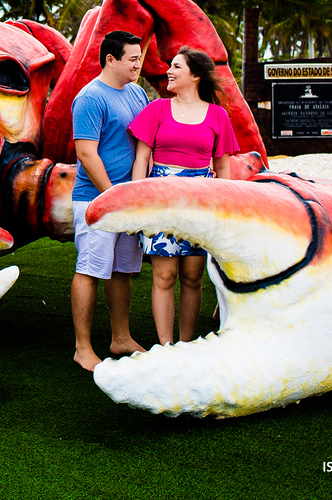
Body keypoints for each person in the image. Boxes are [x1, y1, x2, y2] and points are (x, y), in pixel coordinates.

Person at [128, 46, 240, 346]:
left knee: (193, 277)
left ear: (195, 75)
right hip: (161, 199)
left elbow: (223, 166)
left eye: (176, 66)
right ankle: (166, 346)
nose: (169, 71)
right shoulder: (157, 109)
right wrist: (138, 203)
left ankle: (186, 344)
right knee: (164, 277)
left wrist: (223, 210)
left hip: (200, 202)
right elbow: (141, 159)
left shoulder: (217, 115)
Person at [71, 30, 148, 371]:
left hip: (127, 201)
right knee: (89, 270)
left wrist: (134, 196)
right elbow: (86, 153)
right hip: (96, 202)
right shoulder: (90, 98)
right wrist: (114, 197)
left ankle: (120, 338)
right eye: (132, 58)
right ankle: (82, 348)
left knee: (122, 272)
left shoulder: (137, 94)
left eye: (138, 57)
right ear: (111, 60)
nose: (137, 64)